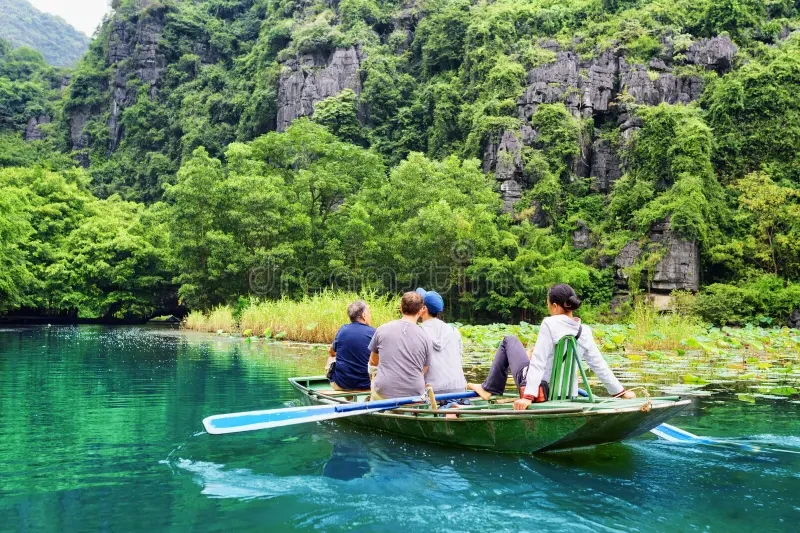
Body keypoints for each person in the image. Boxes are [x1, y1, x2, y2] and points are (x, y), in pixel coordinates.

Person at [467, 284, 636, 410]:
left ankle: (488, 389)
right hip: (569, 394)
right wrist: (620, 392)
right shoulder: (584, 330)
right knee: (529, 355)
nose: (548, 308)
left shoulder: (549, 323)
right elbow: (598, 364)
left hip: (541, 391)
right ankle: (492, 384)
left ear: (555, 306)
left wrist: (528, 396)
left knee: (509, 340)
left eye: (548, 304)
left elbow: (539, 362)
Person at [368, 292, 432, 400]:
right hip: (415, 393)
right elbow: (424, 368)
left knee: (373, 374)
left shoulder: (382, 329)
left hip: (383, 391)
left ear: (400, 308)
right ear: (421, 311)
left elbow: (373, 361)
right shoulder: (426, 337)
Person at [416, 288, 467, 394]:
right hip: (459, 388)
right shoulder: (454, 330)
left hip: (433, 391)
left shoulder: (418, 332)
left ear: (424, 308)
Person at [326, 300, 375, 391]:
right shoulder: (374, 332)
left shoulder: (343, 330)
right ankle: (366, 398)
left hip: (342, 384)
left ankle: (349, 398)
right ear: (364, 315)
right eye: (369, 313)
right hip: (367, 384)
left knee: (331, 358)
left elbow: (331, 352)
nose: (370, 316)